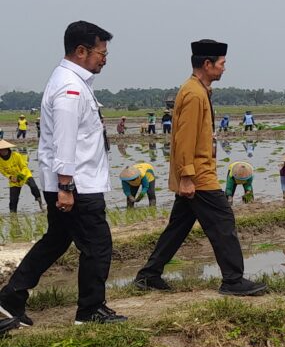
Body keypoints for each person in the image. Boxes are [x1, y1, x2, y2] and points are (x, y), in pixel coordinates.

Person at [0, 20, 127, 326]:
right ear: (81, 51)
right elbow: (65, 141)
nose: (105, 58)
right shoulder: (70, 88)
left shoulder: (72, 81)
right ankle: (90, 310)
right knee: (97, 244)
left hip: (70, 181)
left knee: (57, 239)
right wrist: (66, 186)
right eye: (101, 52)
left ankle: (10, 298)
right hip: (76, 183)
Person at [134, 39, 266, 296]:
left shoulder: (196, 90)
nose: (224, 69)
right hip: (198, 174)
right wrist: (186, 176)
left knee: (178, 226)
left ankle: (148, 275)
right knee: (223, 221)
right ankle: (233, 280)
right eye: (222, 64)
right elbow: (184, 138)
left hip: (196, 172)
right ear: (207, 64)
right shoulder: (194, 94)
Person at [0, 141, 44, 212]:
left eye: (4, 149)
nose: (2, 151)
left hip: (24, 174)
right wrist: (10, 177)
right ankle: (13, 215)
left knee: (34, 187)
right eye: (0, 150)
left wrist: (20, 176)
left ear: (7, 149)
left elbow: (24, 167)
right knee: (13, 200)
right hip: (14, 179)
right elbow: (3, 171)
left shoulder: (16, 155)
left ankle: (40, 203)